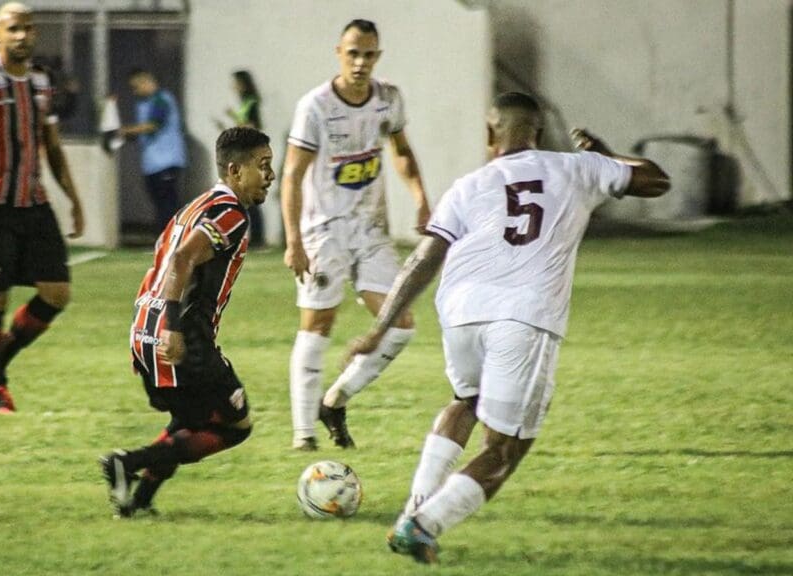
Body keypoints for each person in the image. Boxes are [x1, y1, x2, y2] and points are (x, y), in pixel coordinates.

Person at [341, 92, 670, 564]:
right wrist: (605, 154)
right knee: (506, 448)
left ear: (491, 133)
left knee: (466, 401)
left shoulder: (468, 184)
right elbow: (657, 181)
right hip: (524, 313)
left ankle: (415, 505)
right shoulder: (578, 167)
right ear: (538, 131)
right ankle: (423, 525)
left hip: (460, 310)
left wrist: (379, 329)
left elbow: (423, 258)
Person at [100, 126, 273, 517]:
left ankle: (139, 501)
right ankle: (126, 463)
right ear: (234, 170)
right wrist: (175, 328)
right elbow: (181, 260)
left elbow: (164, 260)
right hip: (180, 335)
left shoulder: (195, 205)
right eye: (263, 166)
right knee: (234, 424)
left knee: (190, 420)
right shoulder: (230, 215)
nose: (270, 176)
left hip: (145, 326)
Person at [282, 19, 430, 450]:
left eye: (368, 54)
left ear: (377, 57)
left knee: (398, 325)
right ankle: (303, 434)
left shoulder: (388, 99)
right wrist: (294, 240)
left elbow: (401, 152)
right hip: (322, 231)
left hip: (370, 230)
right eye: (353, 53)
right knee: (317, 325)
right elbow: (293, 175)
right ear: (338, 53)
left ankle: (335, 400)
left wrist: (421, 197)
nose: (361, 62)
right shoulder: (314, 106)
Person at [0, 2, 85, 412]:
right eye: (13, 29)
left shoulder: (42, 82)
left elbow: (52, 146)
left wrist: (74, 199)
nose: (22, 35)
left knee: (57, 293)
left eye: (28, 28)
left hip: (34, 203)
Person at [120, 68, 188, 232]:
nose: (134, 91)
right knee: (159, 201)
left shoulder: (161, 99)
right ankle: (167, 237)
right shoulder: (143, 104)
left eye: (136, 87)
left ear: (147, 82)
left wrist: (123, 131)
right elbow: (143, 133)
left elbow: (153, 126)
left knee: (168, 202)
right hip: (152, 162)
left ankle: (175, 237)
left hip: (166, 160)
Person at [218, 70, 265, 247]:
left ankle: (257, 239)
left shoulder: (251, 102)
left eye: (235, 82)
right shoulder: (245, 103)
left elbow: (253, 127)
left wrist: (234, 119)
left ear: (242, 83)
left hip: (251, 156)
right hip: (244, 154)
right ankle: (251, 237)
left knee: (250, 195)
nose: (233, 86)